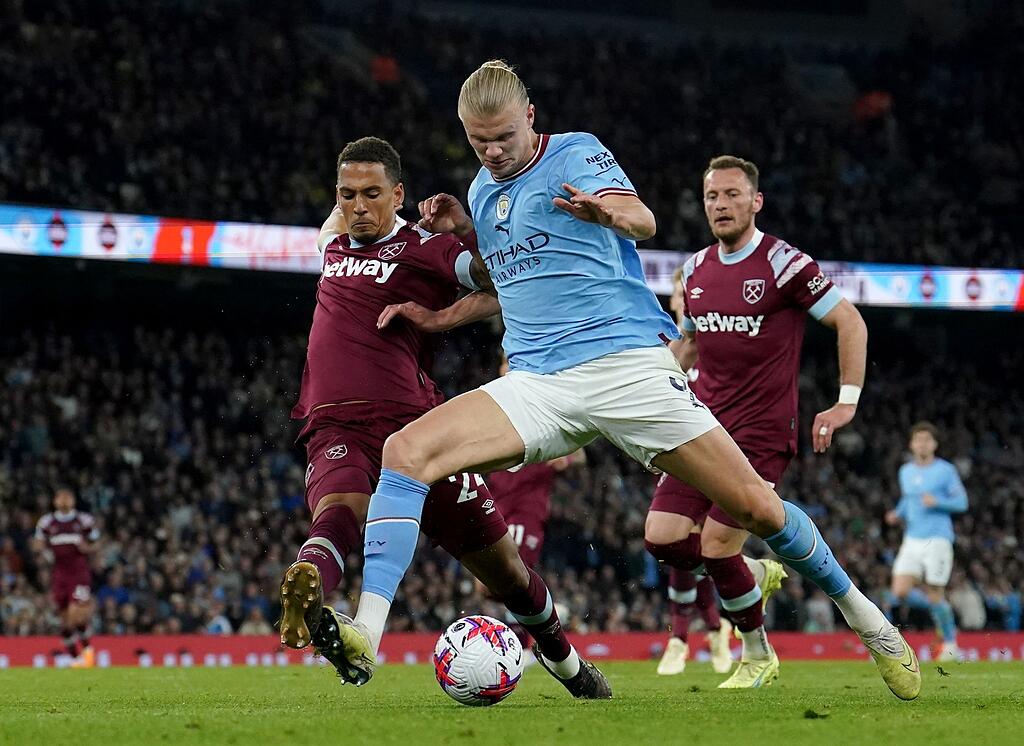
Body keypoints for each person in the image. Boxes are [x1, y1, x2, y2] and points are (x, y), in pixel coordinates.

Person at [338, 60, 920, 701]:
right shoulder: (480, 191)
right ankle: (366, 632)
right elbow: (510, 281)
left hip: (626, 367)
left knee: (757, 508)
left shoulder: (575, 154)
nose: (494, 151)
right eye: (480, 142)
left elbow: (643, 220)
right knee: (405, 451)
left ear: (530, 116)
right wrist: (445, 295)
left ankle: (869, 620)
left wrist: (605, 213)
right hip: (537, 383)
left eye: (504, 136)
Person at [280, 136, 609, 697]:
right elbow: (337, 216)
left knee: (506, 574)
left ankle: (568, 664)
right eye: (347, 195)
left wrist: (462, 235)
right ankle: (310, 585)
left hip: (416, 432)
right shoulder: (333, 242)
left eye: (371, 194)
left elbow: (500, 277)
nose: (358, 206)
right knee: (337, 512)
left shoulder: (425, 248)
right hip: (334, 423)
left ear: (398, 195)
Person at [647, 154, 868, 687]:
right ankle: (754, 571)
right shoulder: (694, 270)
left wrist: (846, 402)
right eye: (712, 197)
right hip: (703, 426)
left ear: (756, 201)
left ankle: (757, 653)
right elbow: (689, 344)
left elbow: (850, 322)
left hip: (762, 432)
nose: (721, 205)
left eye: (732, 194)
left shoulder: (785, 264)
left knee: (716, 545)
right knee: (662, 538)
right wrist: (651, 390)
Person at [886, 421, 968, 661]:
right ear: (911, 444)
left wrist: (938, 502)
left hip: (938, 539)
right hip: (912, 539)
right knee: (899, 591)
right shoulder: (905, 471)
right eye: (918, 440)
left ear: (934, 444)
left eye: (926, 440)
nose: (922, 444)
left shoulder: (946, 470)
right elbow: (908, 499)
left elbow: (962, 502)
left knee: (935, 593)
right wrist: (897, 513)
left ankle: (951, 644)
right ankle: (941, 609)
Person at [34, 487, 99, 667]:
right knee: (64, 620)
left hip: (79, 573)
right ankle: (76, 657)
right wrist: (43, 553)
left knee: (75, 615)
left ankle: (87, 650)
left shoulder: (84, 520)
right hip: (59, 574)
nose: (64, 501)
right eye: (61, 497)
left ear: (73, 501)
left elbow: (97, 543)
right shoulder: (46, 522)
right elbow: (38, 544)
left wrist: (89, 549)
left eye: (68, 497)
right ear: (55, 501)